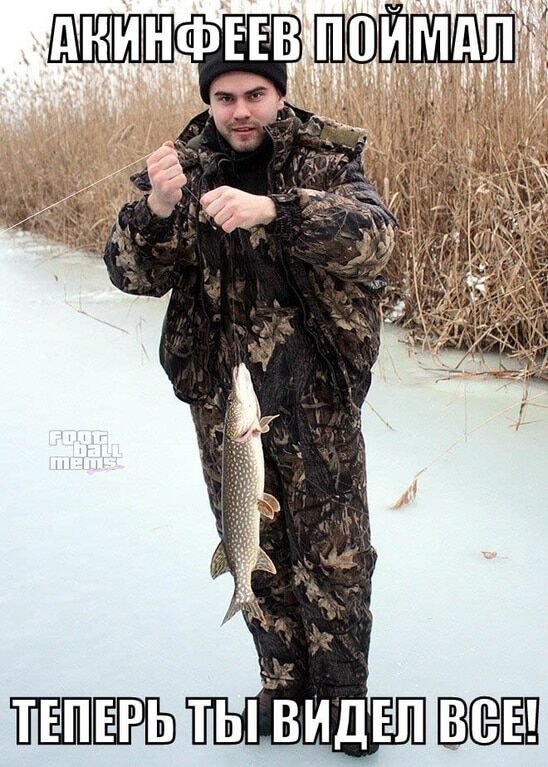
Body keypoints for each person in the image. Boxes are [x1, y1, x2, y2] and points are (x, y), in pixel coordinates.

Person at [104, 40, 398, 757]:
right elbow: (129, 273)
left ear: (278, 95)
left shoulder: (325, 161)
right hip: (226, 404)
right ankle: (283, 684)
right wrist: (160, 205)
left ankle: (342, 703)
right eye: (224, 97)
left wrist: (275, 208)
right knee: (251, 544)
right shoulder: (179, 166)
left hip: (315, 396)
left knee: (336, 555)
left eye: (255, 96)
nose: (240, 112)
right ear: (209, 100)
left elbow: (376, 240)